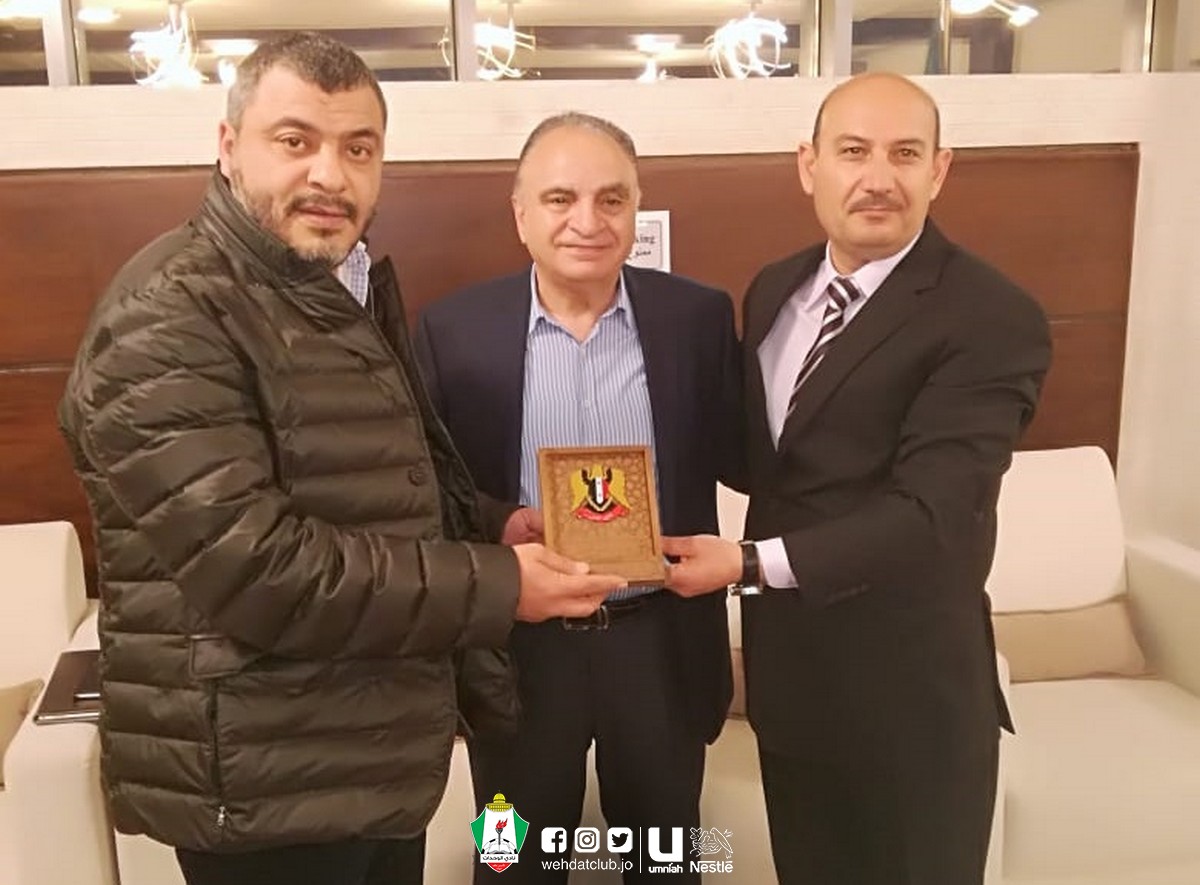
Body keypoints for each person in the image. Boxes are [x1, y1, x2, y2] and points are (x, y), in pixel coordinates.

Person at [57, 33, 623, 885]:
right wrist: (501, 582)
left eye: (358, 148)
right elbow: (259, 566)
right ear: (227, 145)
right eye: (295, 141)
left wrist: (489, 523)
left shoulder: (319, 287)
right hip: (266, 781)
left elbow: (356, 485)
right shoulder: (168, 313)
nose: (330, 174)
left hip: (358, 755)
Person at [664, 73, 1053, 885]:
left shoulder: (990, 314)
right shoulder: (777, 288)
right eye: (853, 151)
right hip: (791, 690)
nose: (878, 177)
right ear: (809, 165)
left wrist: (745, 562)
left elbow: (933, 513)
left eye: (904, 154)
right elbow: (765, 459)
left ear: (939, 170)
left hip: (908, 703)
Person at [413, 112, 743, 884]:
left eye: (611, 199)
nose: (587, 221)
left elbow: (747, 451)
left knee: (666, 865)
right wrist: (500, 519)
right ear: (521, 214)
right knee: (510, 863)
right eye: (560, 198)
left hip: (659, 641)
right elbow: (425, 483)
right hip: (518, 647)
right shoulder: (453, 329)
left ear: (636, 210)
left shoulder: (697, 318)